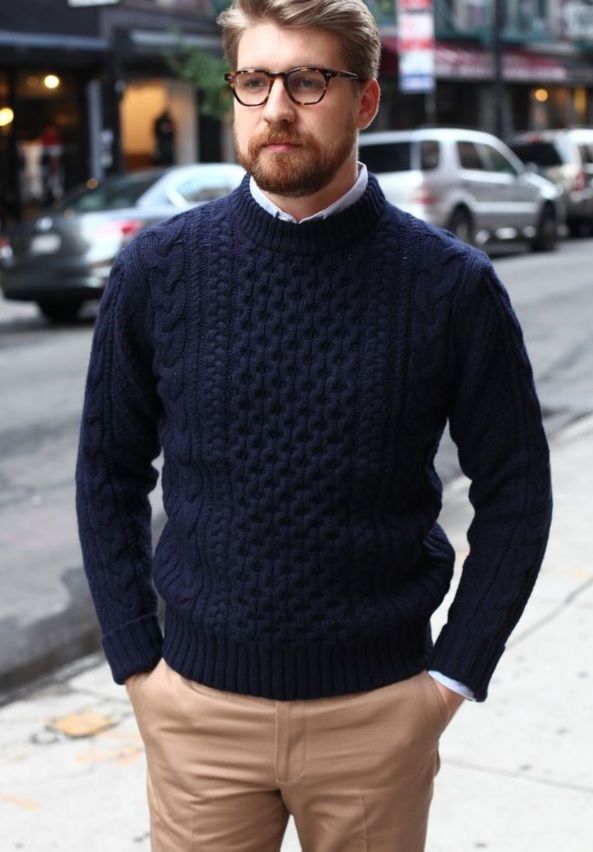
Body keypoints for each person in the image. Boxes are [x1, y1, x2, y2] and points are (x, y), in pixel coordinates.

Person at [75, 1, 552, 849]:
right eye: (254, 81)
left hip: (377, 715)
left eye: (308, 80)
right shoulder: (158, 270)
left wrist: (452, 675)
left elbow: (515, 493)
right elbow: (108, 469)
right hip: (197, 714)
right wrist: (135, 661)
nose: (277, 109)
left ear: (364, 101)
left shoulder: (450, 286)